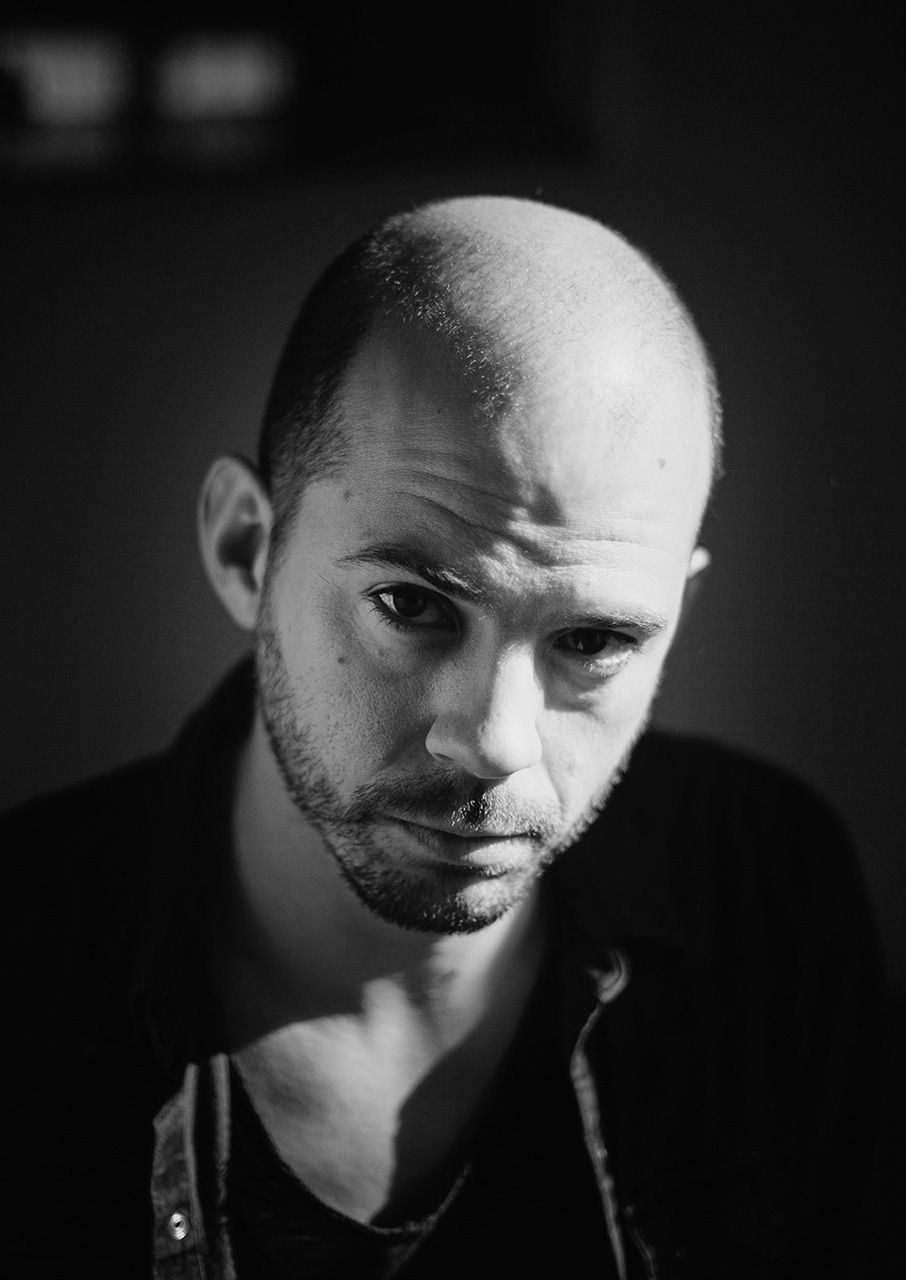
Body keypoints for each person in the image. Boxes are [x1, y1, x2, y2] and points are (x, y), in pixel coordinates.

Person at [4, 196, 893, 1278]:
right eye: (412, 606)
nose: (494, 743)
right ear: (247, 551)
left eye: (593, 640)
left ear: (675, 619)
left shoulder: (767, 894)